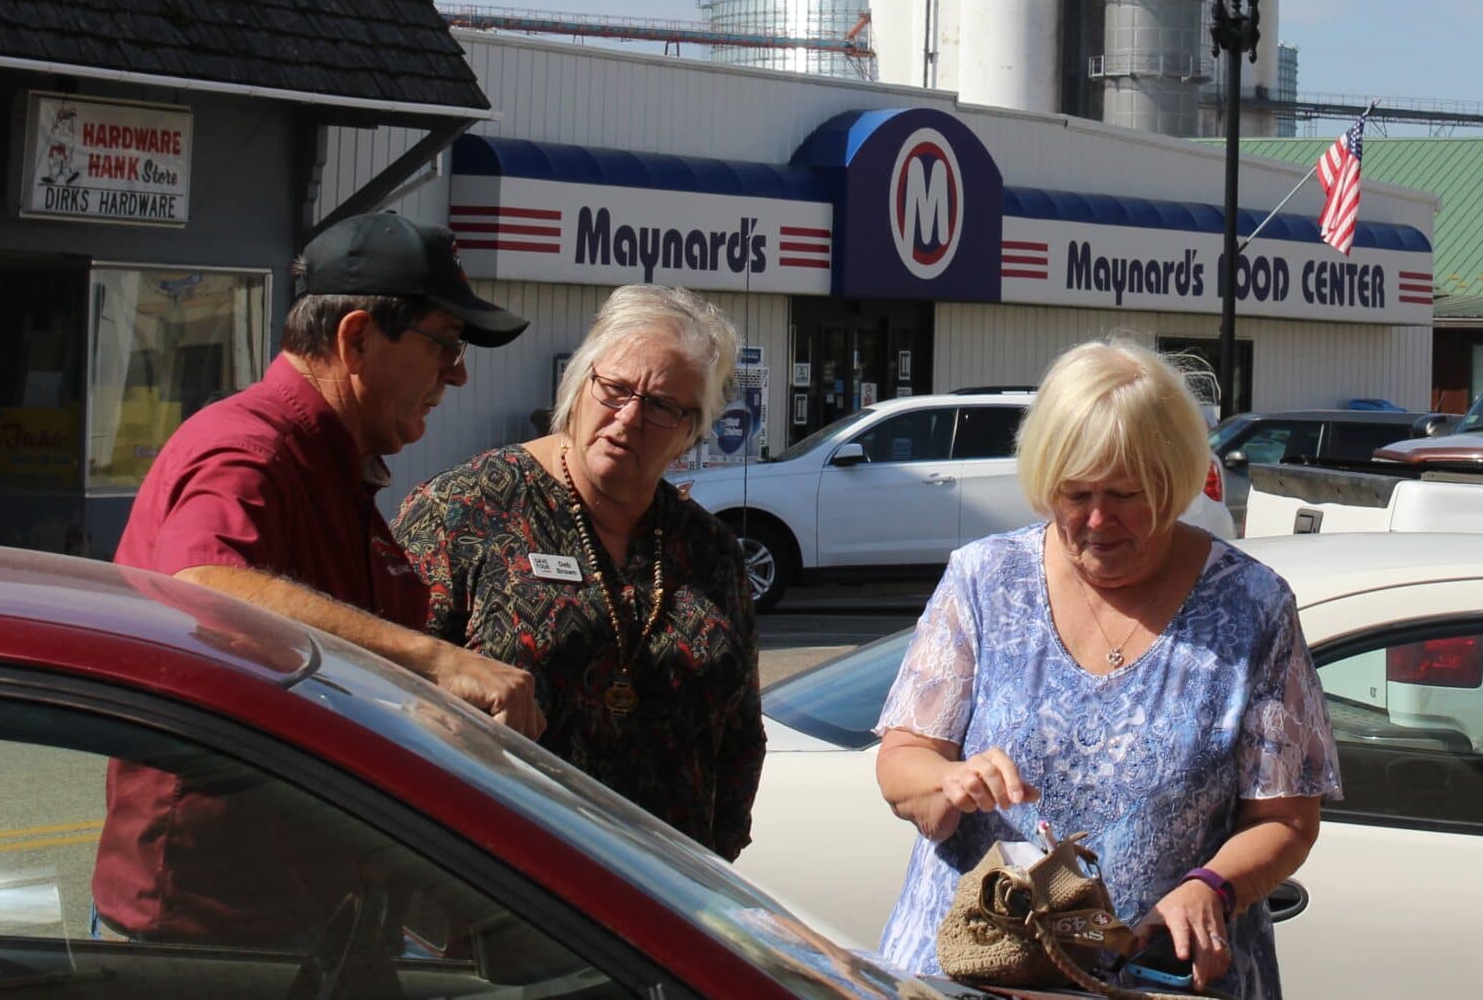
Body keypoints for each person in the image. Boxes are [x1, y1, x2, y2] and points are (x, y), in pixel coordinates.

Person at [93, 211, 540, 943]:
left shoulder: (333, 466)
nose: (458, 374)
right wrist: (435, 660)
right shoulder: (250, 447)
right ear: (356, 338)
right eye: (445, 343)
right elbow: (206, 586)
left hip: (319, 914)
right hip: (218, 940)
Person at [872, 338, 1338, 999]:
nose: (1097, 518)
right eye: (1075, 493)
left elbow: (1286, 819)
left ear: (1174, 484)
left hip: (1158, 979)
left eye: (1125, 494)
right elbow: (901, 763)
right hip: (975, 972)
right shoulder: (984, 581)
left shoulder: (1252, 607)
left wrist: (1213, 886)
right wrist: (949, 779)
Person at [395, 283, 765, 859]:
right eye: (614, 389)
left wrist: (712, 863)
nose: (628, 418)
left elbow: (740, 733)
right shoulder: (462, 510)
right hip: (496, 878)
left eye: (661, 406)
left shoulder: (711, 550)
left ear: (691, 431)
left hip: (664, 881)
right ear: (578, 384)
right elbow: (381, 689)